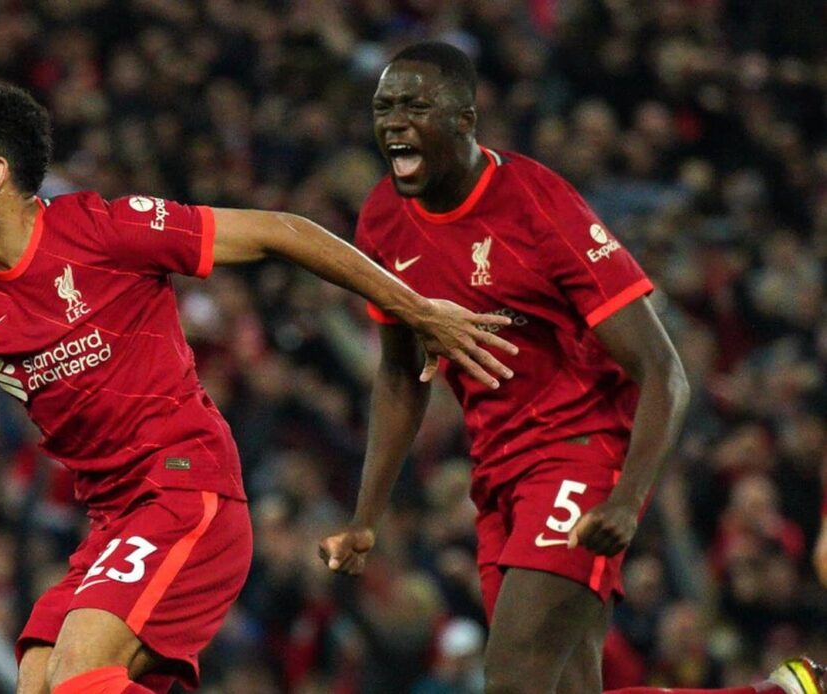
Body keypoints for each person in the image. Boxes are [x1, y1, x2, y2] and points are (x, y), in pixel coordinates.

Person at [0, 80, 519, 694]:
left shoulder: (102, 230)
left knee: (79, 675)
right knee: (39, 681)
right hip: (113, 523)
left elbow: (282, 231)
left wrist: (418, 308)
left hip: (187, 492)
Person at [317, 42, 825, 694]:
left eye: (414, 105)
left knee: (512, 681)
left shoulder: (534, 203)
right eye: (383, 106)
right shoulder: (383, 219)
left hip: (578, 456)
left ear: (466, 117)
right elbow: (396, 376)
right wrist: (365, 517)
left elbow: (663, 369)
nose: (392, 121)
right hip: (497, 474)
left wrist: (628, 498)